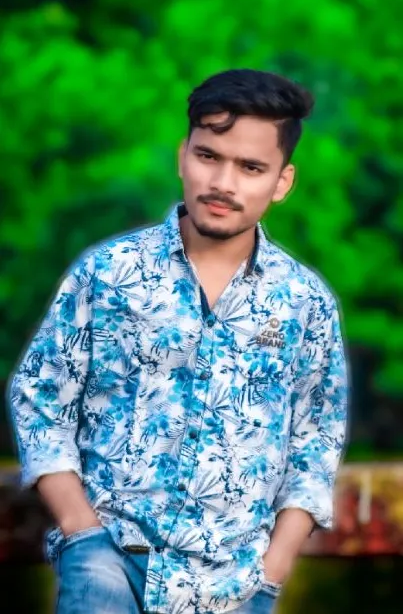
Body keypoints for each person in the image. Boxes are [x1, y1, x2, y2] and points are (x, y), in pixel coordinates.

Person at [8, 69, 348, 614]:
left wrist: (274, 565)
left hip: (234, 585)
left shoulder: (305, 303)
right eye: (209, 156)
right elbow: (40, 395)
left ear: (282, 182)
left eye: (252, 167)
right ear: (182, 155)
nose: (224, 182)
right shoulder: (108, 272)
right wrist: (81, 531)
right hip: (108, 562)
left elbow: (317, 440)